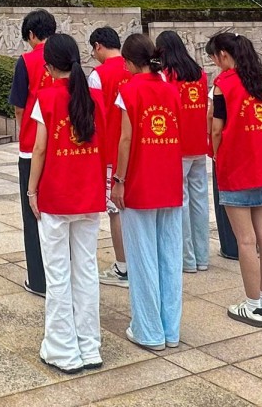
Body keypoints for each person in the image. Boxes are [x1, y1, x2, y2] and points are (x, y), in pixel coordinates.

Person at [27, 33, 106, 374]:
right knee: (86, 270)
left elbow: (40, 149)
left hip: (57, 196)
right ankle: (89, 347)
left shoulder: (46, 98)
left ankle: (62, 349)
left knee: (58, 274)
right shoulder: (95, 97)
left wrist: (31, 190)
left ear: (49, 66)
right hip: (88, 194)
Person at [112, 32, 184, 351]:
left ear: (129, 62)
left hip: (141, 182)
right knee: (169, 257)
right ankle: (171, 330)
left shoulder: (129, 90)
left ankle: (149, 331)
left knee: (142, 259)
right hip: (169, 180)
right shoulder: (171, 90)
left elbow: (126, 140)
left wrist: (119, 179)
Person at [207, 31, 262, 327]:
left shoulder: (223, 85)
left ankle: (251, 306)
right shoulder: (259, 83)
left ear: (224, 55)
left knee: (245, 240)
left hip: (236, 166)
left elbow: (216, 128)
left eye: (215, 57)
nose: (215, 62)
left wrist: (215, 153)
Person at [9, 9, 57, 297]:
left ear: (30, 34)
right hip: (63, 148)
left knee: (33, 215)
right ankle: (61, 276)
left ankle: (39, 281)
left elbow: (19, 106)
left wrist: (25, 127)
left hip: (31, 148)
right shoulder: (67, 56)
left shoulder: (26, 61)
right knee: (59, 214)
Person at [156, 31, 210, 274]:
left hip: (178, 145)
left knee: (182, 202)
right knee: (200, 201)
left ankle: (187, 258)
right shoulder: (200, 74)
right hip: (199, 143)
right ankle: (202, 256)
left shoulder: (166, 76)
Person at [88, 26, 131, 288]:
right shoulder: (135, 67)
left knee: (116, 211)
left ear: (98, 46)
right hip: (140, 151)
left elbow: (94, 119)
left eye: (93, 50)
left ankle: (123, 267)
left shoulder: (98, 76)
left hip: (111, 153)